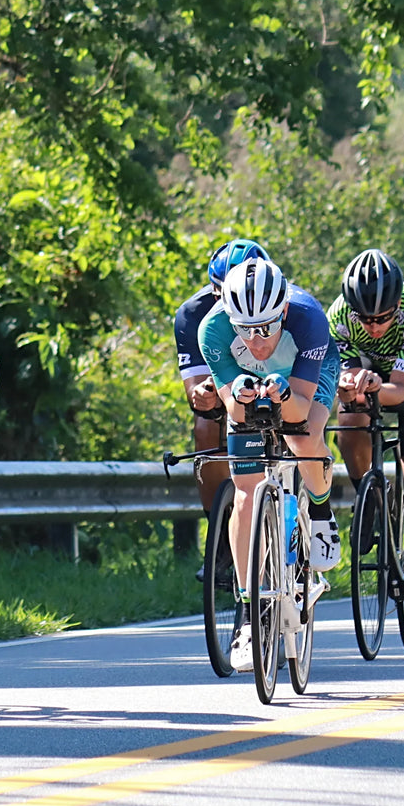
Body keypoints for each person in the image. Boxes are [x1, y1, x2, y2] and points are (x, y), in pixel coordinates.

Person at [200, 256, 341, 671]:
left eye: (265, 329)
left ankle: (319, 511)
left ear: (282, 311)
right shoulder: (213, 329)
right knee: (245, 490)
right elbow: (234, 411)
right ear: (230, 317)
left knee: (302, 435)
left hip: (300, 376)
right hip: (248, 378)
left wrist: (280, 396)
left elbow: (298, 409)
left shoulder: (308, 318)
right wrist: (240, 395)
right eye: (246, 330)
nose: (258, 340)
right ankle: (248, 616)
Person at [328, 248, 404, 633]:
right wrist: (349, 387)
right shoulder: (339, 318)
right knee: (349, 425)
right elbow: (344, 385)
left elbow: (401, 390)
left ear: (396, 306)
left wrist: (376, 385)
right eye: (366, 318)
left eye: (382, 318)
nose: (375, 326)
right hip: (368, 366)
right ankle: (373, 501)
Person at [174, 240, 265, 579]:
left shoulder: (278, 301)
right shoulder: (192, 314)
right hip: (227, 382)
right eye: (218, 294)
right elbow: (195, 388)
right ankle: (220, 537)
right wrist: (203, 393)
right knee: (203, 426)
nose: (222, 305)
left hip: (272, 379)